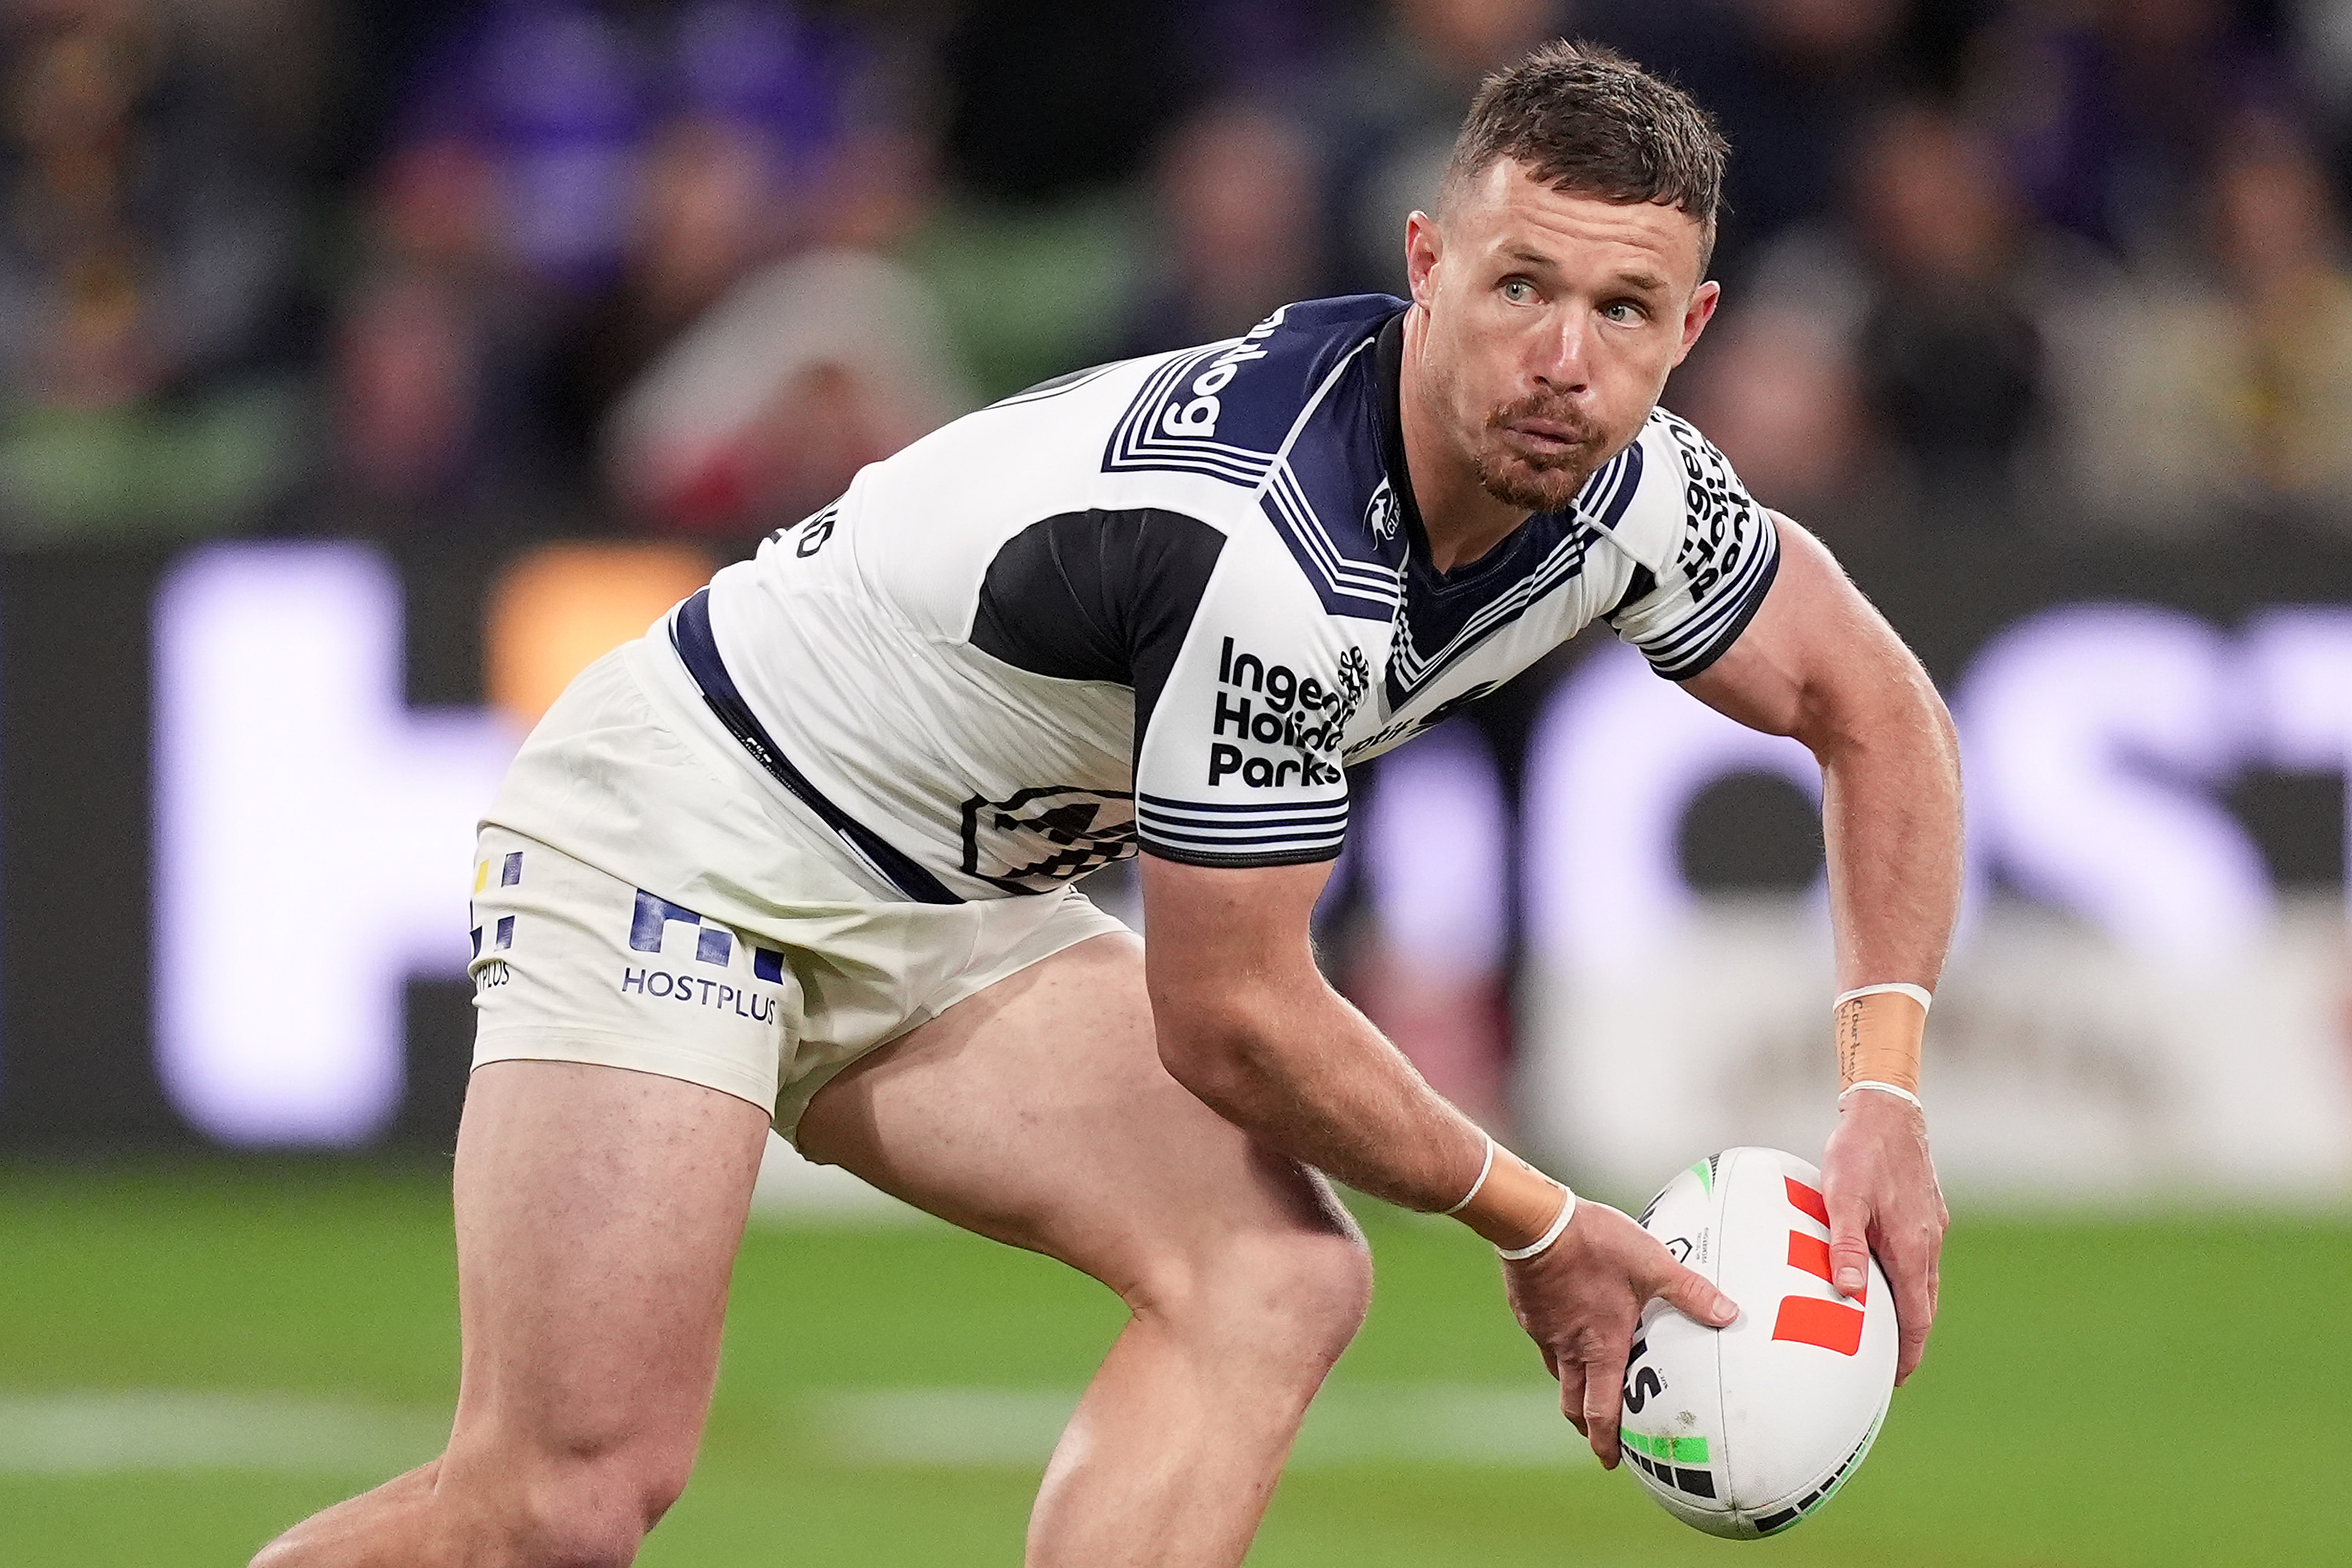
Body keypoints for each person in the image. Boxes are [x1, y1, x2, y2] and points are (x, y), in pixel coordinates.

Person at [250, 41, 1958, 1568]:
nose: (1564, 361)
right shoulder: (1275, 542)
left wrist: (1882, 1094)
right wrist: (1543, 1217)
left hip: (954, 886)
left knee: (1276, 1279)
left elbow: (1870, 708)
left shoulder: (1640, 492)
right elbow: (1227, 1016)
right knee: (567, 1497)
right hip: (693, 821)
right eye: (1523, 286)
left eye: (1624, 311)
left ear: (1696, 327)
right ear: (1426, 266)